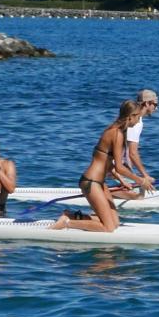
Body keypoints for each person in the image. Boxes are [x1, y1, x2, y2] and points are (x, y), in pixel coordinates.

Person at [51, 99, 141, 233]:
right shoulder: (117, 134)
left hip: (100, 183)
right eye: (138, 117)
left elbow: (109, 164)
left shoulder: (114, 130)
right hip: (91, 182)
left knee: (115, 223)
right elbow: (119, 167)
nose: (139, 120)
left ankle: (72, 215)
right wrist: (141, 181)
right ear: (130, 117)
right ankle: (67, 223)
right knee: (108, 228)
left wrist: (122, 181)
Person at [120, 89, 158, 197]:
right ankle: (100, 194)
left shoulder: (134, 118)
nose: (156, 108)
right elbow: (132, 153)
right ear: (147, 103)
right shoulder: (136, 122)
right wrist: (145, 175)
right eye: (155, 104)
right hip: (118, 165)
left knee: (141, 191)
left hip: (121, 164)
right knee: (138, 196)